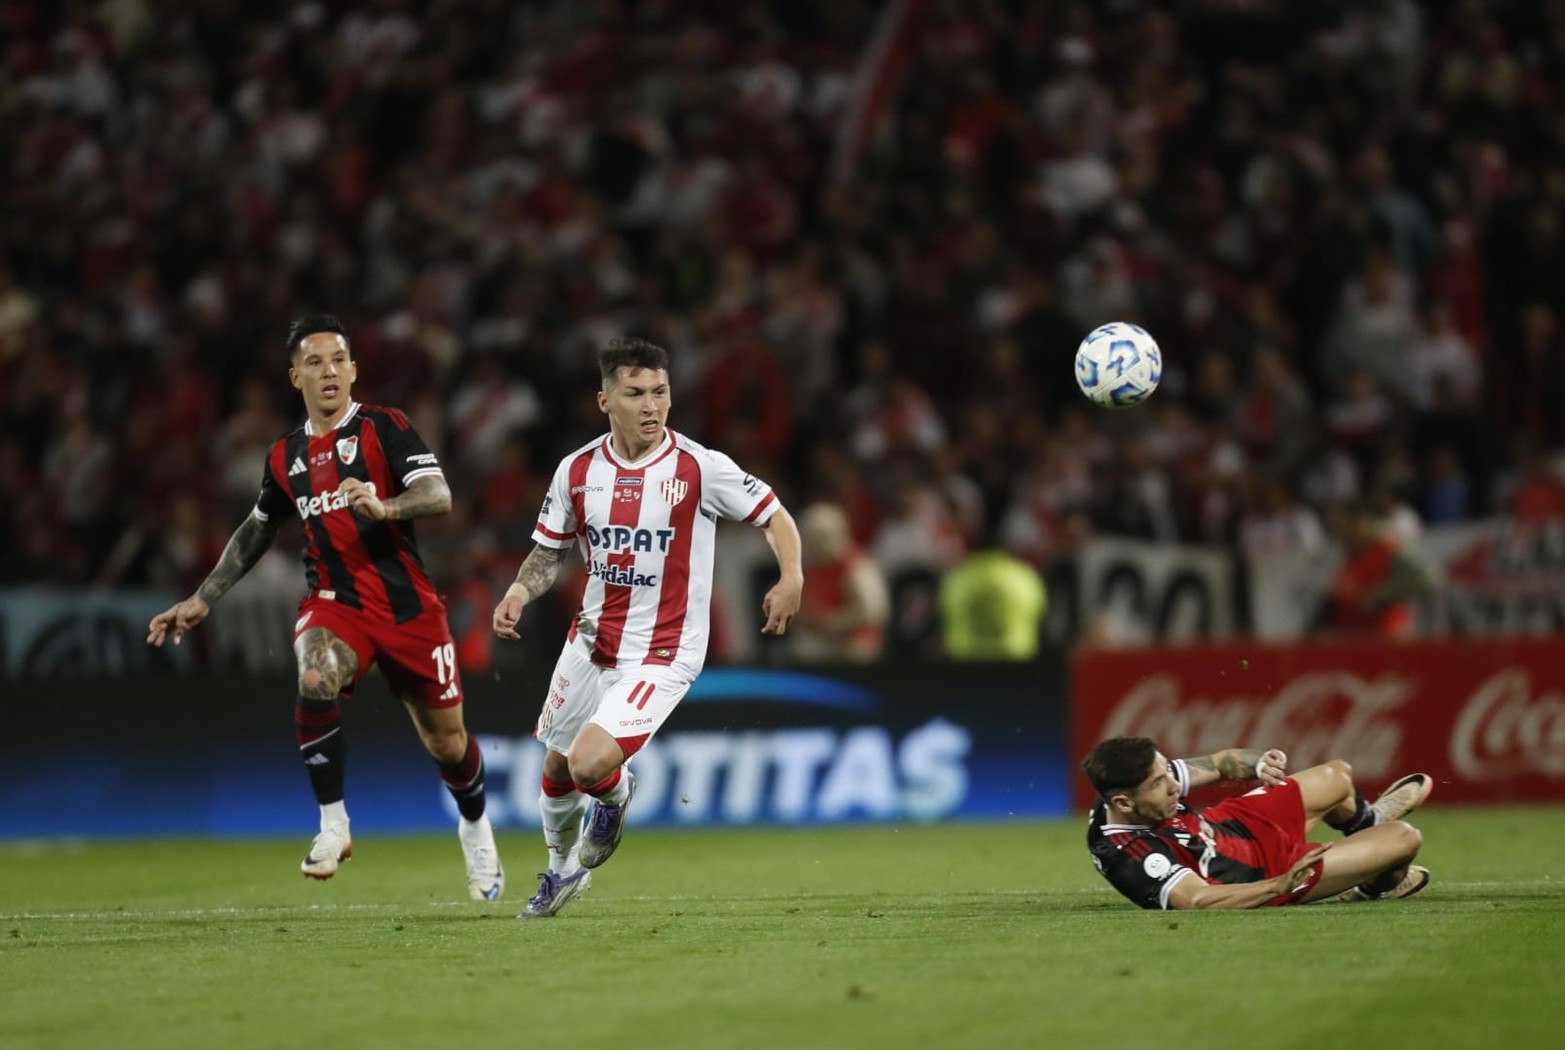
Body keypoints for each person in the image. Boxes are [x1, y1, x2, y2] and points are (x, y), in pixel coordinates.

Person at [146, 314, 504, 901]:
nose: (329, 370)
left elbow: (438, 494)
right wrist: (203, 597)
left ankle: (475, 825)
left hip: (409, 608)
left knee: (448, 743)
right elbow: (257, 529)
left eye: (338, 359)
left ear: (354, 370)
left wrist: (385, 508)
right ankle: (333, 825)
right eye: (314, 362)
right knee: (314, 673)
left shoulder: (386, 427)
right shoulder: (285, 456)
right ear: (296, 376)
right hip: (335, 604)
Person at [492, 337, 803, 918]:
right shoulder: (577, 471)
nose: (651, 405)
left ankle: (615, 792)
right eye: (635, 393)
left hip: (663, 651)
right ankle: (561, 875)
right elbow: (548, 552)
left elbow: (775, 514)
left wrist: (792, 577)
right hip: (589, 643)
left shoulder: (700, 468)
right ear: (605, 400)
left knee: (590, 766)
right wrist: (517, 589)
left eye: (660, 392)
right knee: (557, 768)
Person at [1081, 736, 1433, 909]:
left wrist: (1258, 765)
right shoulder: (1129, 853)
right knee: (1403, 839)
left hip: (1229, 827)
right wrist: (1278, 885)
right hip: (1261, 873)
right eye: (1159, 784)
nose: (1174, 785)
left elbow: (1220, 763)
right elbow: (1200, 900)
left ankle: (1366, 825)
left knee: (1337, 775)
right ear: (1123, 803)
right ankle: (1369, 886)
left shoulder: (1129, 783)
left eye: (1165, 771)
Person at [791, 501, 889, 663]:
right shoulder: (814, 568)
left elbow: (873, 614)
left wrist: (831, 623)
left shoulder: (857, 566)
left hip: (855, 645)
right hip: (823, 646)